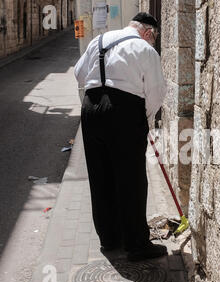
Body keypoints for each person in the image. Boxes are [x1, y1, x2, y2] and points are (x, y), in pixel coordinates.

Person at [73, 12, 167, 261]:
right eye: (153, 38)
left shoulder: (99, 41)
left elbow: (79, 74)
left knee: (100, 175)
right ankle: (136, 245)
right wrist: (141, 119)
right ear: (148, 32)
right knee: (131, 179)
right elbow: (157, 93)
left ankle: (109, 238)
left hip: (91, 108)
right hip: (124, 112)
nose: (152, 42)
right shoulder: (146, 50)